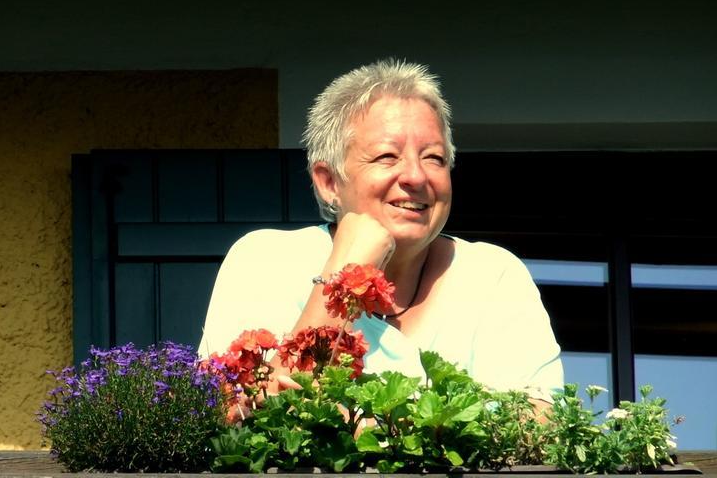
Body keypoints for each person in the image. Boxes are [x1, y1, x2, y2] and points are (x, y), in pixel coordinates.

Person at [198, 59, 562, 409]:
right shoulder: (265, 261)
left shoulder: (492, 275)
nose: (416, 177)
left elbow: (540, 421)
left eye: (434, 158)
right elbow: (250, 415)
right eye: (387, 157)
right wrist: (348, 266)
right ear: (328, 182)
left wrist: (374, 428)